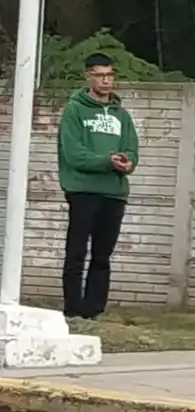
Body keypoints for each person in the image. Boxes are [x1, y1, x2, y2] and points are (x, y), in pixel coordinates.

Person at [57, 52, 138, 319]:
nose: (106, 80)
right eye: (101, 75)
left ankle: (94, 310)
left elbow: (131, 149)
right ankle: (72, 309)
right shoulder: (75, 109)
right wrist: (106, 161)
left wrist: (128, 163)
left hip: (114, 192)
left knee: (102, 256)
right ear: (88, 76)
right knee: (77, 252)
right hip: (83, 190)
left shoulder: (121, 115)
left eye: (110, 75)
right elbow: (73, 153)